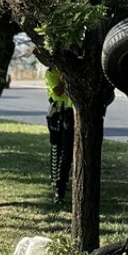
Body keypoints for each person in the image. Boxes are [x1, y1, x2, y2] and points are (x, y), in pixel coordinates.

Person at [46, 67, 75, 203]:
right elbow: (58, 91)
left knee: (67, 152)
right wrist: (65, 76)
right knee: (56, 149)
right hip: (57, 114)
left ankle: (61, 184)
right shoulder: (51, 73)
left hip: (70, 113)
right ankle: (57, 183)